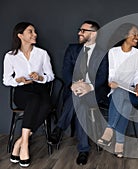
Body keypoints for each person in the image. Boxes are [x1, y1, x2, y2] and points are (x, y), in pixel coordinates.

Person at [48, 20, 109, 165]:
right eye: (79, 30)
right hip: (74, 90)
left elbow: (103, 75)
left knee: (79, 99)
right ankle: (83, 149)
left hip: (94, 92)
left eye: (83, 30)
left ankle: (59, 128)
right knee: (79, 101)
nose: (79, 33)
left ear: (94, 34)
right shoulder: (72, 49)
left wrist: (89, 87)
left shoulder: (103, 53)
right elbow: (66, 71)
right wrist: (73, 85)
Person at [3, 22, 55, 167]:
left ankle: (20, 141)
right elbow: (6, 80)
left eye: (35, 31)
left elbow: (51, 75)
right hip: (22, 91)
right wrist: (18, 80)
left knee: (46, 106)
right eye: (30, 32)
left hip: (39, 88)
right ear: (20, 36)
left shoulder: (42, 53)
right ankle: (24, 146)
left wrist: (40, 77)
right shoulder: (10, 56)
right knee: (33, 100)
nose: (35, 34)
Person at [97, 23, 138, 158]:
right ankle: (120, 143)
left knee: (125, 95)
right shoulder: (113, 52)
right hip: (116, 92)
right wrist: (110, 83)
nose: (137, 37)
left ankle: (110, 128)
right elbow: (111, 75)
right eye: (134, 34)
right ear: (125, 35)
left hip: (133, 93)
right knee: (123, 99)